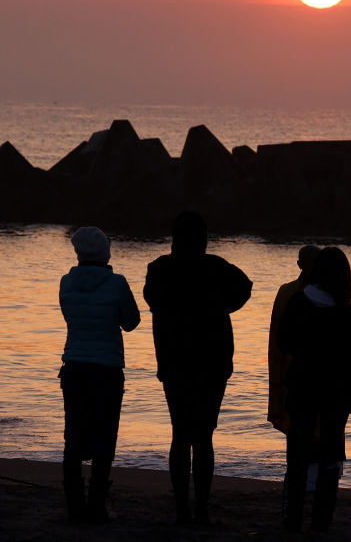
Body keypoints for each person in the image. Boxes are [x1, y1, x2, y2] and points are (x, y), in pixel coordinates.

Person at [143, 210, 252, 524]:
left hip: (174, 362)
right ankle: (201, 508)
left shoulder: (160, 269)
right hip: (213, 364)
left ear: (174, 238)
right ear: (203, 238)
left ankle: (181, 508)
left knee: (181, 433)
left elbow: (152, 301)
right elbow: (244, 288)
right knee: (204, 436)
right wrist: (223, 307)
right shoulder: (216, 268)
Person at [278, 246, 351, 533]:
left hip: (301, 389)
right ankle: (321, 525)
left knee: (297, 460)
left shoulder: (297, 303)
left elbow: (284, 343)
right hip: (335, 394)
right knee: (330, 459)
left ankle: (292, 523)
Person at [58, 226, 141, 524]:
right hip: (107, 368)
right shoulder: (117, 283)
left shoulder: (66, 282)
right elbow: (131, 322)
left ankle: (74, 507)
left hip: (74, 366)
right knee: (106, 437)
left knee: (73, 436)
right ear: (105, 251)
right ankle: (96, 506)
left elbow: (70, 316)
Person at [267, 244, 321, 434]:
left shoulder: (286, 292)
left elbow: (276, 340)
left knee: (297, 435)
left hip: (292, 373)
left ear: (299, 264)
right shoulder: (334, 293)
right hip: (317, 375)